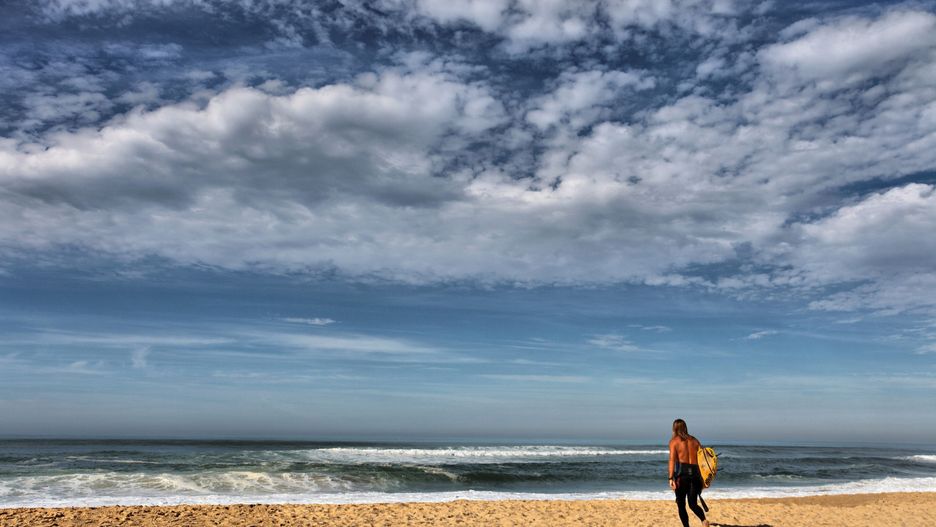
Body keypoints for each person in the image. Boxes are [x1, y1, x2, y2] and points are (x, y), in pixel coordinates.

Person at [668, 418, 709, 527]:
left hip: (682, 476)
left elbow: (672, 460)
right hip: (696, 475)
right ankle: (704, 520)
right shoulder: (695, 441)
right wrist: (703, 478)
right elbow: (702, 459)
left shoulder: (674, 442)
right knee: (693, 504)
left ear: (674, 428)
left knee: (681, 505)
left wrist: (671, 478)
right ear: (685, 427)